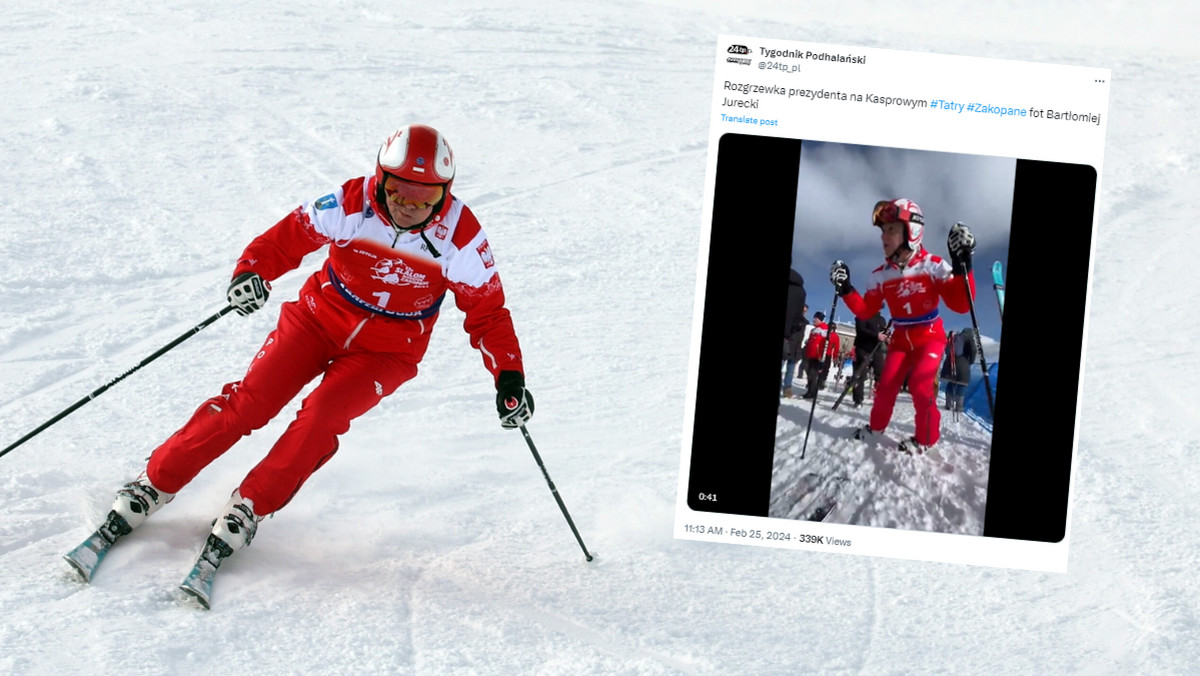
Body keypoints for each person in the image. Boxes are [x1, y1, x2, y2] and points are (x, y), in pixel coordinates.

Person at [80, 124, 533, 568]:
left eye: (425, 196)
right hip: (317, 319)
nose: (408, 206)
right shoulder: (351, 203)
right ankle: (154, 482)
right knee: (250, 404)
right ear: (380, 178)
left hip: (388, 350)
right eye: (397, 190)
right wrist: (251, 272)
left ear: (445, 193)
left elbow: (488, 313)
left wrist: (509, 377)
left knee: (321, 418)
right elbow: (288, 237)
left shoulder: (461, 236)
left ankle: (250, 506)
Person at [829, 198, 975, 454]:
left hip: (930, 336)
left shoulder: (933, 265)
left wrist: (964, 267)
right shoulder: (881, 274)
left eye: (892, 229)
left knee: (920, 384)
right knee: (885, 386)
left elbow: (962, 305)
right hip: (900, 339)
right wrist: (846, 289)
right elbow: (867, 310)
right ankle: (875, 428)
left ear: (912, 230)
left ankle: (926, 438)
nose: (884, 236)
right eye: (883, 230)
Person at [850, 311, 888, 409]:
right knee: (860, 374)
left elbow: (883, 331)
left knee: (881, 373)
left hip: (876, 349)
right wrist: (876, 335)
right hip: (863, 348)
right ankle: (858, 399)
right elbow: (861, 330)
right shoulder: (862, 315)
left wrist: (886, 334)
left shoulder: (881, 319)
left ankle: (880, 397)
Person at [781, 271, 808, 398]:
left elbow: (801, 338)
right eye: (803, 309)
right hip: (787, 344)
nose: (804, 311)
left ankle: (787, 389)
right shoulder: (792, 318)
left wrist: (799, 351)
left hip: (795, 348)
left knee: (790, 371)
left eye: (805, 310)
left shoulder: (803, 323)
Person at [801, 311, 840, 399]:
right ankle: (811, 390)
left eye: (816, 318)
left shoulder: (825, 329)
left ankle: (813, 390)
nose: (814, 319)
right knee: (809, 373)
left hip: (819, 356)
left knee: (814, 374)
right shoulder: (813, 329)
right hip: (810, 355)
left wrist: (834, 357)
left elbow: (831, 345)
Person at [941, 328, 976, 412]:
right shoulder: (970, 339)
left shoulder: (954, 337)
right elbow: (973, 351)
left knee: (951, 382)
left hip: (950, 362)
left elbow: (946, 351)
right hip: (963, 364)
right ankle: (959, 407)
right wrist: (970, 361)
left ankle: (948, 404)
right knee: (961, 385)